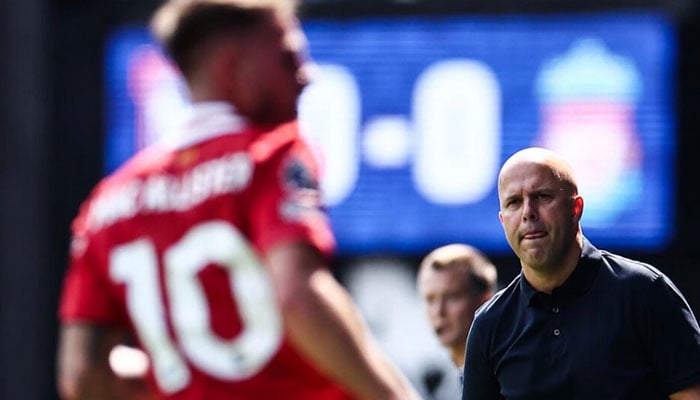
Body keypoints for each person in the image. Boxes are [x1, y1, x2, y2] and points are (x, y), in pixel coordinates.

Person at [56, 1, 422, 399]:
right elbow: (298, 297)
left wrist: (179, 370)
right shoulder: (271, 153)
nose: (308, 75)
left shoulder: (106, 204)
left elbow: (81, 374)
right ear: (232, 69)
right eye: (288, 57)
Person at [462, 147, 700, 399]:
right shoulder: (490, 325)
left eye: (542, 196)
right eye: (514, 202)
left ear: (576, 208)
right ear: (502, 220)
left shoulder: (644, 292)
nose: (528, 212)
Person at [417, 244, 497, 370]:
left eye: (452, 297)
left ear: (485, 300)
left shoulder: (506, 373)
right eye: (430, 299)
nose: (439, 311)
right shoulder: (444, 378)